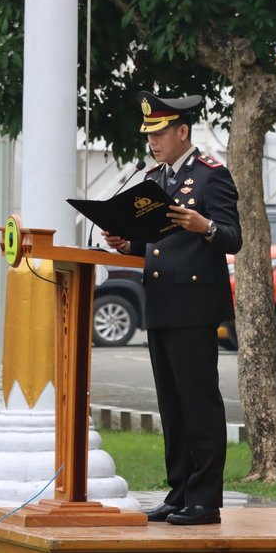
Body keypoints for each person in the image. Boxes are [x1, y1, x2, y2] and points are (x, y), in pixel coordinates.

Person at [104, 91, 242, 525]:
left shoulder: (210, 176)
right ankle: (180, 489)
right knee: (172, 404)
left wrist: (207, 226)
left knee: (199, 402)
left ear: (183, 131)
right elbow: (156, 242)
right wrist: (128, 243)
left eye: (160, 133)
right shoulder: (157, 178)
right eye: (149, 135)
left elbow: (233, 239)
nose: (153, 142)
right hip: (161, 303)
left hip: (194, 304)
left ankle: (205, 499)